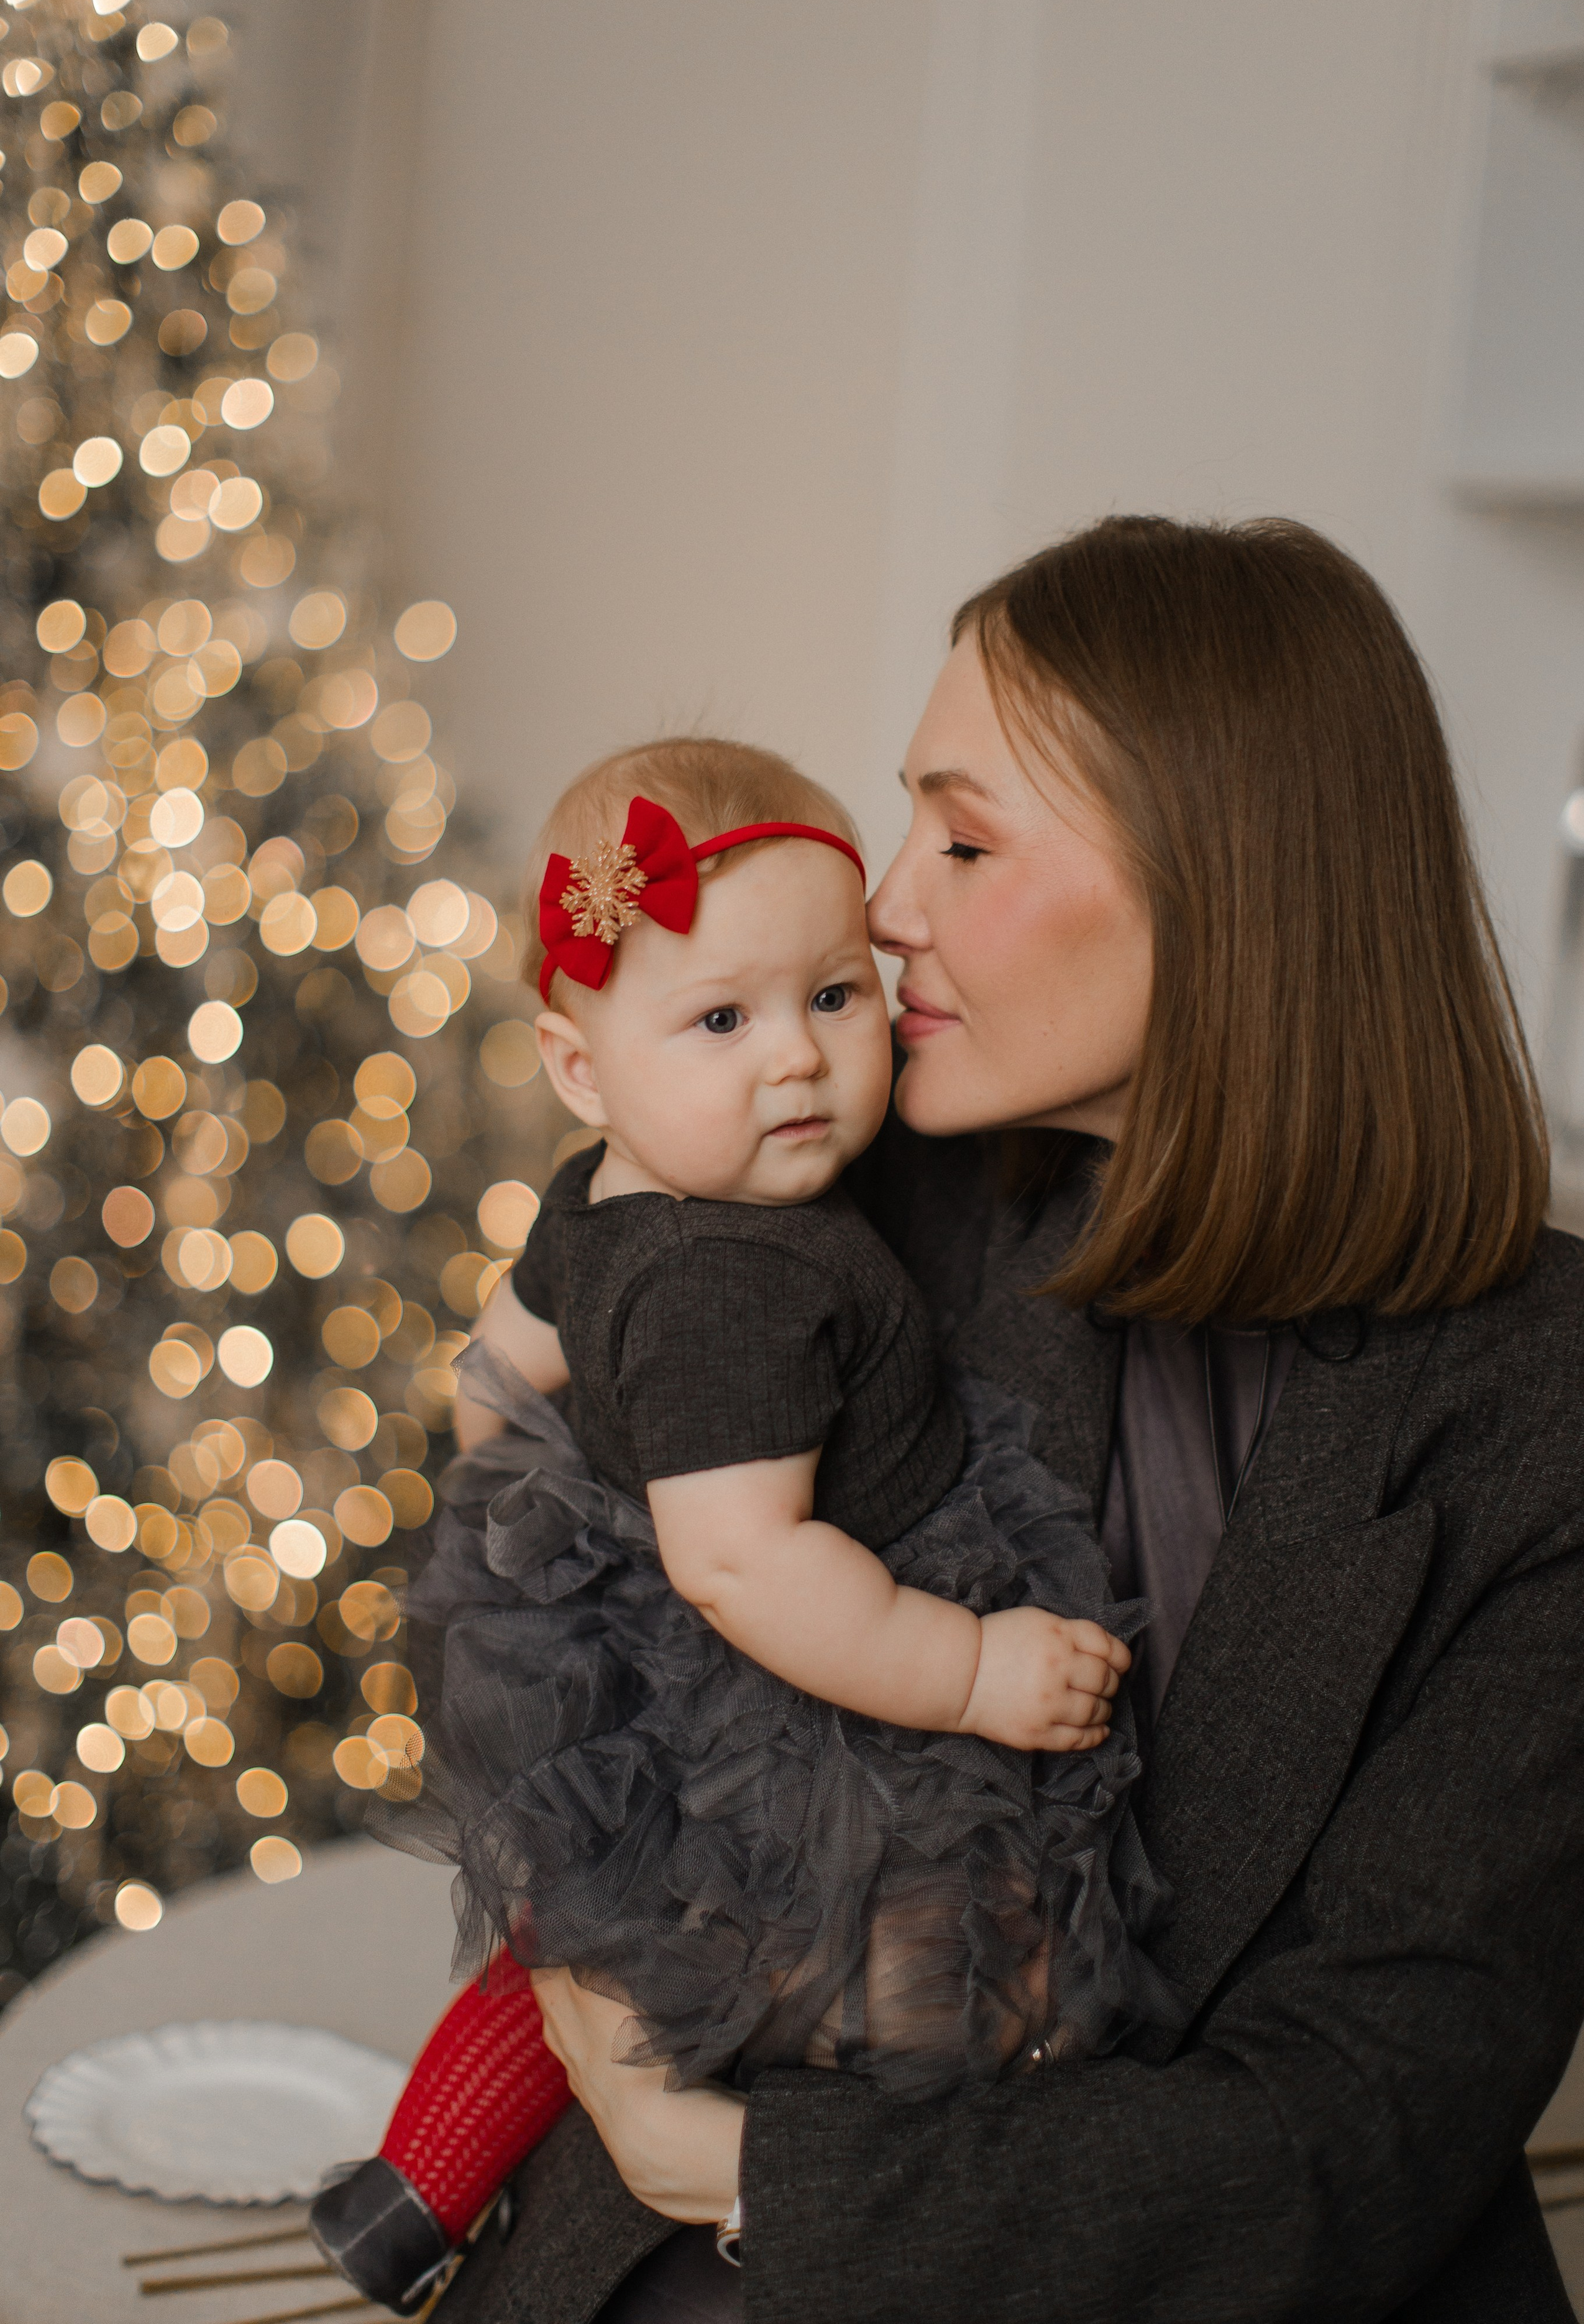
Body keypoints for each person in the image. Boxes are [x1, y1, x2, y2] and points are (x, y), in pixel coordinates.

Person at [424, 515, 1584, 2324]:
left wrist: (743, 2169)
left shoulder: (1543, 1399)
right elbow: (538, 1557)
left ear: (1232, 887)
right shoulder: (853, 1190)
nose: (885, 909)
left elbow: (1357, 2123)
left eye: (964, 840)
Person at [313, 735, 1177, 2315]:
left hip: (676, 1628)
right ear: (583, 1068)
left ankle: (417, 2182)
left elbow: (509, 1347)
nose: (795, 1059)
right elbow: (742, 1558)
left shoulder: (601, 1188)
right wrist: (970, 1670)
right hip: (817, 1666)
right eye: (721, 1020)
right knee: (917, 1966)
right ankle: (891, 2187)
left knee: (583, 1933)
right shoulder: (741, 1283)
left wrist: (511, 1443)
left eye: (833, 997)